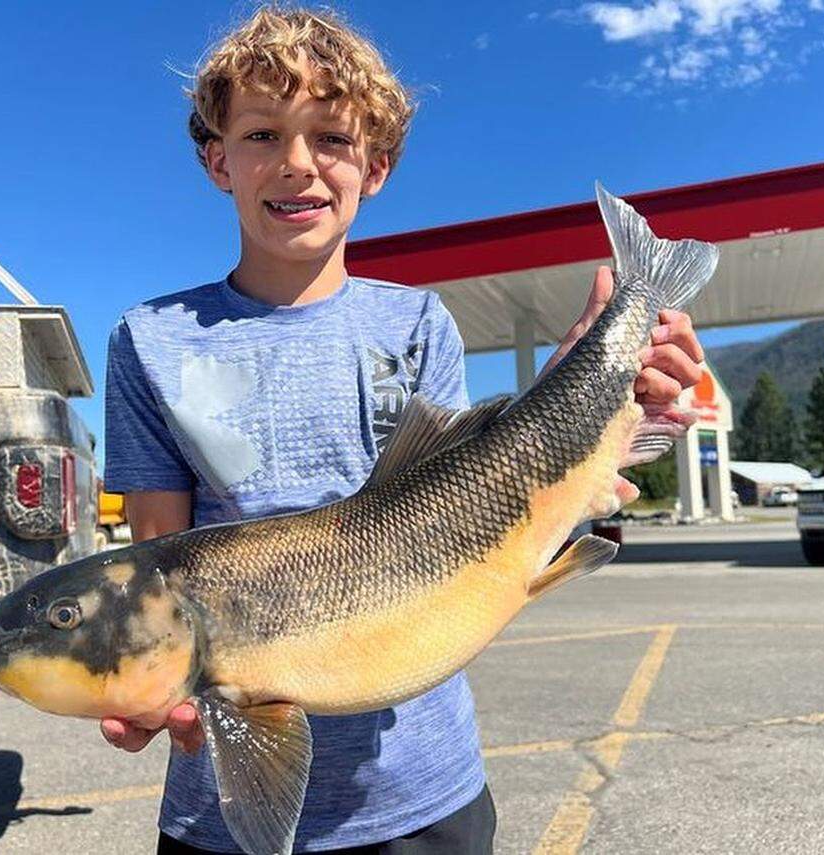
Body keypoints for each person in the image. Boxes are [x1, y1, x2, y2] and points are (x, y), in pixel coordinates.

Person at [100, 5, 705, 853]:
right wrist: (153, 686)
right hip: (223, 807)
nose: (298, 164)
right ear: (217, 160)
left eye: (333, 139)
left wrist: (596, 388)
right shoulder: (150, 338)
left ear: (376, 166)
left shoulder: (418, 323)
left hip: (425, 793)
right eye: (264, 134)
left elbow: (479, 494)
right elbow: (155, 563)